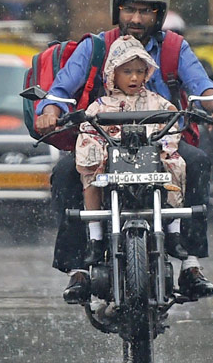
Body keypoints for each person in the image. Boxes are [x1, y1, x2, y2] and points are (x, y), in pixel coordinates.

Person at [35, 0, 213, 304]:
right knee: (66, 173)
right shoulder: (95, 47)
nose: (136, 18)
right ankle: (78, 269)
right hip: (104, 140)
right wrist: (51, 110)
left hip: (162, 139)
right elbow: (60, 91)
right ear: (117, 11)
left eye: (146, 10)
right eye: (129, 9)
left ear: (159, 13)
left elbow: (203, 88)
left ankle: (190, 261)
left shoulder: (174, 47)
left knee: (197, 161)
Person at [75, 35, 188, 262]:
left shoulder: (159, 103)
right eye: (127, 71)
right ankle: (95, 238)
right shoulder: (100, 106)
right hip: (112, 165)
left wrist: (162, 145)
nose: (134, 77)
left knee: (178, 164)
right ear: (112, 74)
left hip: (152, 161)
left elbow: (172, 126)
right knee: (89, 174)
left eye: (139, 70)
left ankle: (174, 232)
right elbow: (88, 132)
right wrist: (99, 152)